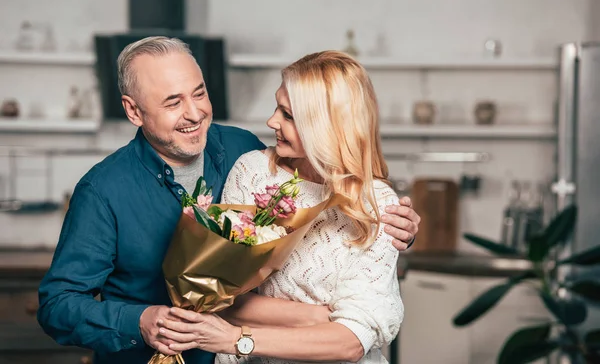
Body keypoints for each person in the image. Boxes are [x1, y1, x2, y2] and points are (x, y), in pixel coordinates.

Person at [37, 37, 420, 364]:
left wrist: (396, 227)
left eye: (199, 93)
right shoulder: (103, 190)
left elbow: (321, 182)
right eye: (173, 103)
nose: (195, 114)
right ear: (134, 110)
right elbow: (57, 305)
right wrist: (137, 321)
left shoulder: (244, 152)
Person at [156, 51, 405, 363]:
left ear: (327, 125)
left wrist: (237, 338)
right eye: (278, 107)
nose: (271, 121)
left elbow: (351, 343)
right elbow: (220, 299)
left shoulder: (375, 204)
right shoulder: (253, 170)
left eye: (288, 115)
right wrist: (318, 318)